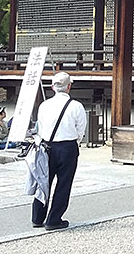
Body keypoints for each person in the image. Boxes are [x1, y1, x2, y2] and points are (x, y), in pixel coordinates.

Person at [32, 72, 87, 230]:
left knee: (43, 182)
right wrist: (75, 142)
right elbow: (80, 130)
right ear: (69, 86)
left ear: (52, 87)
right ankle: (54, 219)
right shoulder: (76, 106)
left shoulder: (44, 105)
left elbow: (40, 127)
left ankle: (37, 217)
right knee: (64, 183)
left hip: (46, 146)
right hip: (67, 147)